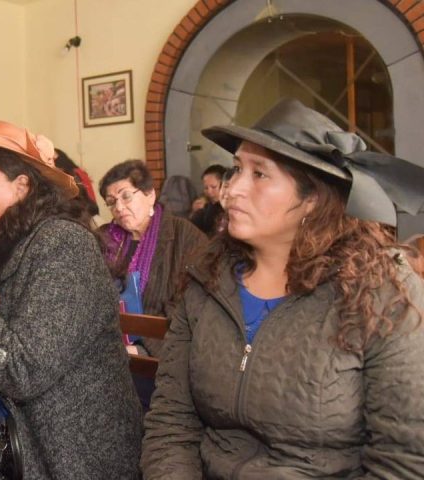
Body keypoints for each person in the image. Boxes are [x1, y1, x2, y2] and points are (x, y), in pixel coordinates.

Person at [141, 98, 424, 478]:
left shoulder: (382, 291)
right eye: (237, 169)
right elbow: (171, 422)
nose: (233, 189)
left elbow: (403, 461)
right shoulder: (207, 279)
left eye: (260, 174)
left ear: (312, 199)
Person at [0, 121, 142, 478]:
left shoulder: (64, 244)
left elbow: (24, 371)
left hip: (67, 453)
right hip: (7, 436)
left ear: (21, 187)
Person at [99, 160, 206, 356]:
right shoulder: (104, 238)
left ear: (150, 195)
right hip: (109, 342)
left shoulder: (184, 236)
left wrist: (145, 347)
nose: (119, 207)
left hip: (162, 348)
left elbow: (192, 305)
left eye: (126, 196)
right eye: (111, 202)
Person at [189, 163, 226, 236]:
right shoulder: (206, 206)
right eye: (206, 188)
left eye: (213, 187)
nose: (209, 192)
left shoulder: (230, 209)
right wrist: (195, 212)